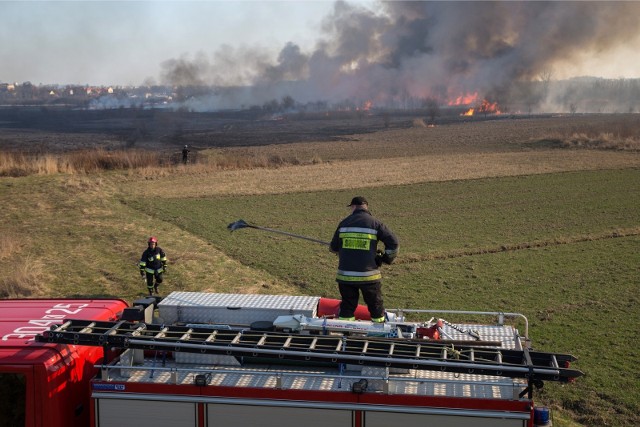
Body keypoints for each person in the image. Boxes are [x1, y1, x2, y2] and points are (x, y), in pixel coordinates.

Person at [330, 196, 399, 323]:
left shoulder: (344, 223)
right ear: (366, 207)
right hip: (369, 277)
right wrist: (385, 258)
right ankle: (379, 333)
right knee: (376, 308)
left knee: (347, 308)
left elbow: (333, 248)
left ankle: (346, 335)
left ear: (353, 207)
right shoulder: (376, 224)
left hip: (346, 277)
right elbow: (393, 244)